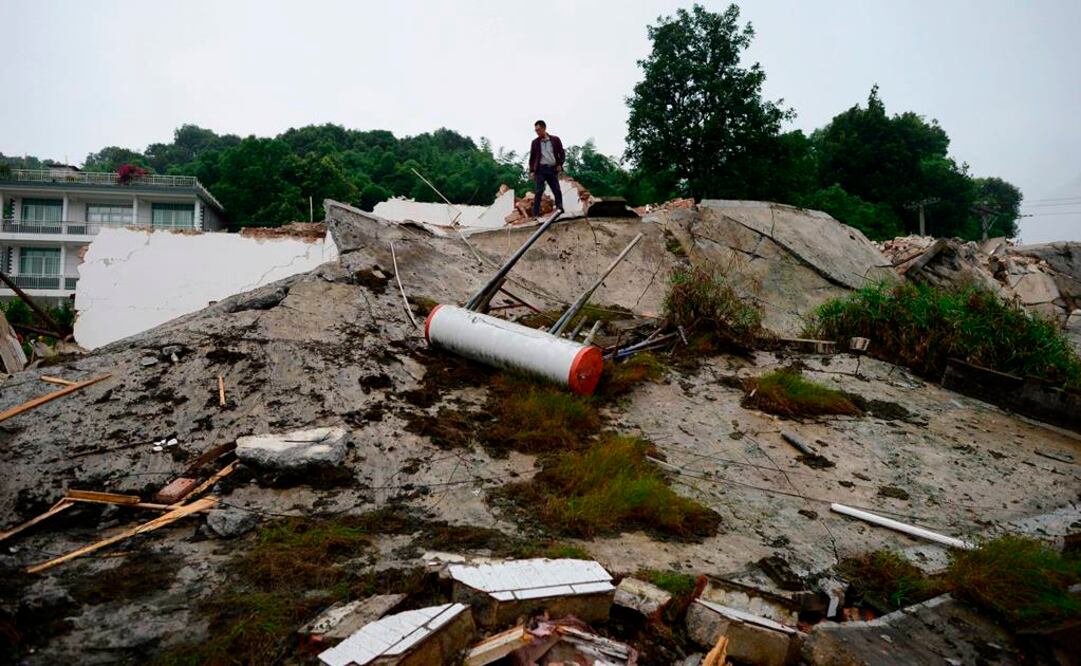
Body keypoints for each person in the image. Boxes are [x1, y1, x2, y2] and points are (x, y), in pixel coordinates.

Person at [528, 120, 565, 218]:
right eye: (535, 130)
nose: (537, 132)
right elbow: (532, 157)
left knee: (556, 189)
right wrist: (532, 171)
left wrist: (560, 164)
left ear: (544, 128)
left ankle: (559, 208)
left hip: (552, 169)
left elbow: (562, 153)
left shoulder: (555, 140)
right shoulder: (535, 142)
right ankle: (535, 214)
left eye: (539, 130)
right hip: (540, 169)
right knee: (539, 191)